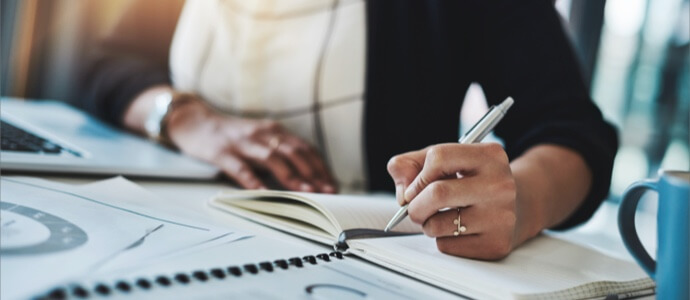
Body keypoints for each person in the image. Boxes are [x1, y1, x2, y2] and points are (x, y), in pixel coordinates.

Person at [79, 0, 618, 260]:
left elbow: (574, 134)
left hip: (353, 263)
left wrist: (520, 202)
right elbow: (106, 63)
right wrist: (190, 119)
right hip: (159, 236)